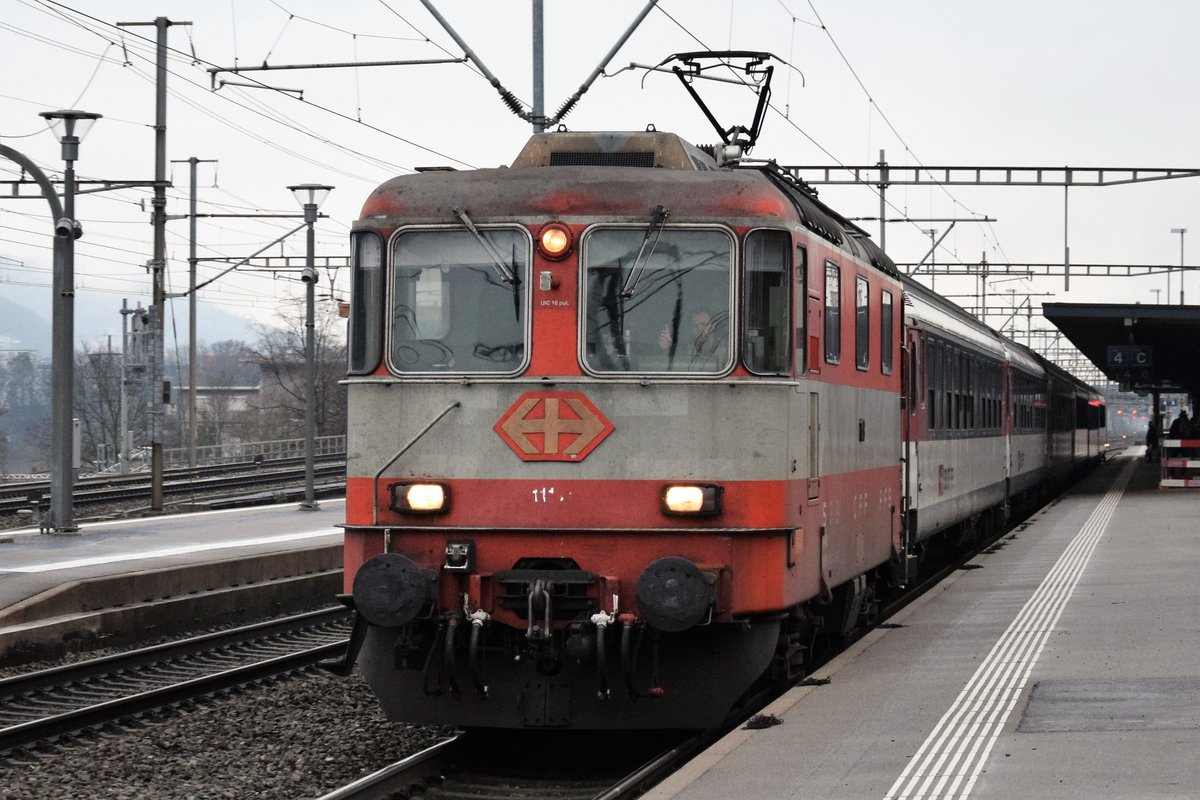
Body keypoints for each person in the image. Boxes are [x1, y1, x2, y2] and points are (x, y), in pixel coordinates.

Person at [659, 310, 729, 370]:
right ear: (690, 329)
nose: (700, 329)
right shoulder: (685, 351)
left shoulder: (728, 350)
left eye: (704, 324)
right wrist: (666, 349)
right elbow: (670, 368)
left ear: (713, 326)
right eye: (695, 326)